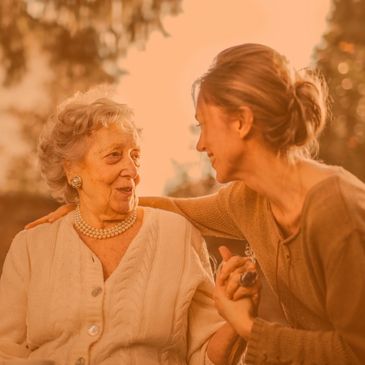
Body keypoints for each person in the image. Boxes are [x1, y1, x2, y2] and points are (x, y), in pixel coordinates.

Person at [26, 43, 365, 365]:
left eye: (204, 125)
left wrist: (249, 328)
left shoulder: (337, 210)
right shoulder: (248, 200)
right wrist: (88, 204)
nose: (200, 144)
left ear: (242, 122)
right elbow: (177, 209)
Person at [0, 94, 249, 364]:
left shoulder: (177, 236)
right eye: (114, 156)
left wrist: (237, 322)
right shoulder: (30, 247)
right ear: (72, 169)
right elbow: (6, 352)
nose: (131, 169)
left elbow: (204, 356)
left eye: (135, 156)